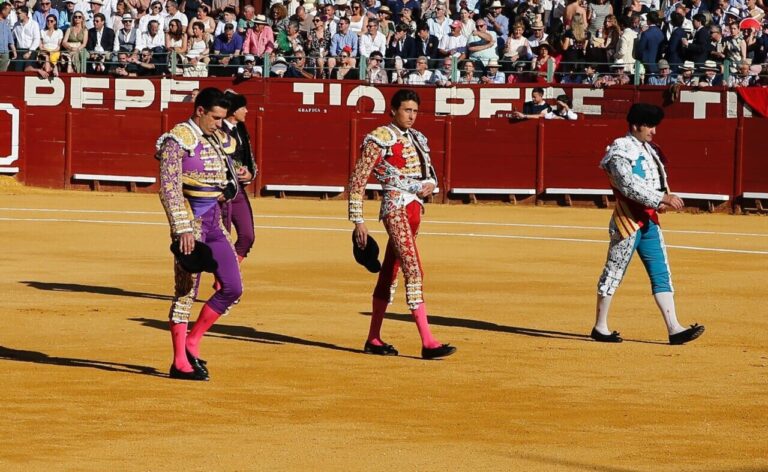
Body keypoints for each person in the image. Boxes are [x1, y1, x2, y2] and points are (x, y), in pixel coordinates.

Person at [348, 88, 456, 360]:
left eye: (415, 111)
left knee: (390, 271)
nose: (412, 115)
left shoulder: (419, 137)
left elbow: (428, 172)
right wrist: (359, 221)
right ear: (393, 110)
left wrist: (429, 185)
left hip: (415, 208)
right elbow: (358, 179)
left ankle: (373, 339)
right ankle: (428, 341)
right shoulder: (379, 138)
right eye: (407, 110)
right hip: (395, 207)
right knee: (414, 269)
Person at [592, 103, 705, 345]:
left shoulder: (647, 148)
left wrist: (660, 200)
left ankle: (674, 328)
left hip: (649, 219)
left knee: (661, 273)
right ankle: (600, 327)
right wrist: (661, 198)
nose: (653, 131)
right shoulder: (620, 149)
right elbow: (627, 184)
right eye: (649, 126)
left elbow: (654, 181)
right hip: (628, 219)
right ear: (635, 126)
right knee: (614, 272)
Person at [156, 87, 243, 381]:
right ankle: (179, 361)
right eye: (216, 118)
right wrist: (181, 228)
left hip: (213, 222)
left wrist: (233, 183)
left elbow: (225, 174)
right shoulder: (176, 139)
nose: (220, 124)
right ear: (200, 111)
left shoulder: (215, 138)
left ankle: (192, 342)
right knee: (185, 292)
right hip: (190, 225)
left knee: (233, 288)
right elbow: (168, 187)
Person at [220, 91, 256, 269]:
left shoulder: (241, 129)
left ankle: (227, 275)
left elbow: (249, 159)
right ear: (233, 111)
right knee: (222, 238)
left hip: (238, 189)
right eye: (243, 107)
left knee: (247, 236)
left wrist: (249, 174)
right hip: (219, 191)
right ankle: (225, 281)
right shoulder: (217, 128)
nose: (247, 111)